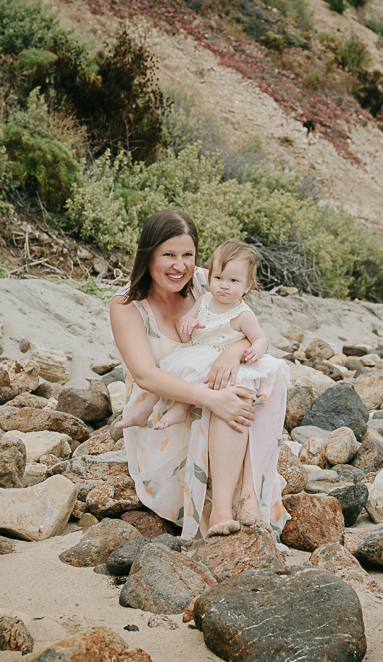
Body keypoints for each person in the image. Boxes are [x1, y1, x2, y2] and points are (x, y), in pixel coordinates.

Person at [109, 210, 289, 543]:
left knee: (254, 378)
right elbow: (146, 376)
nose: (180, 266)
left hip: (213, 389)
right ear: (148, 254)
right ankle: (223, 504)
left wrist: (231, 353)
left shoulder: (208, 280)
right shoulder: (126, 304)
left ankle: (246, 494)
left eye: (187, 255)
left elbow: (245, 328)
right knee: (229, 393)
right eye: (169, 255)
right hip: (164, 410)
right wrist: (211, 398)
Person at [116, 240, 275, 431]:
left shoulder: (243, 314)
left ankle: (180, 409)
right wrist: (188, 322)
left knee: (193, 374)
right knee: (168, 371)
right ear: (210, 278)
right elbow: (187, 318)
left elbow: (260, 338)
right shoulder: (205, 299)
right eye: (218, 278)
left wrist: (255, 349)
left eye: (233, 281)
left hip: (215, 359)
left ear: (247, 286)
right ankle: (143, 412)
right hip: (194, 350)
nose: (224, 285)